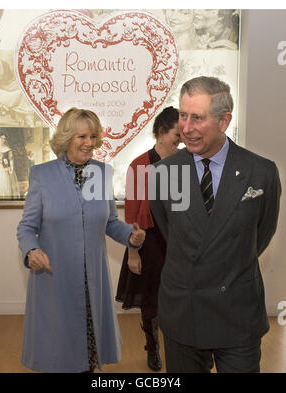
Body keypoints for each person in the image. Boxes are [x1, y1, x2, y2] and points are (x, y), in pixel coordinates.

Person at [149, 76, 281, 373]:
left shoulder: (261, 173)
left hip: (237, 310)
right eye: (183, 115)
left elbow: (262, 233)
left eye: (197, 118)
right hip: (183, 310)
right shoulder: (161, 174)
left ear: (224, 121)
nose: (186, 127)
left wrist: (225, 259)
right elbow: (172, 233)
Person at [17, 107, 145, 373]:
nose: (89, 143)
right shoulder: (43, 175)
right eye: (81, 137)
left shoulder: (102, 173)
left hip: (92, 283)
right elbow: (27, 228)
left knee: (88, 357)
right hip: (54, 281)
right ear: (66, 139)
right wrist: (31, 250)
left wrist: (132, 238)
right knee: (58, 355)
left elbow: (109, 224)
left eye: (93, 137)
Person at [116, 106, 180, 371]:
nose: (182, 139)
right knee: (151, 299)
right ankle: (152, 349)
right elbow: (132, 213)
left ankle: (182, 351)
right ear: (162, 132)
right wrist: (133, 252)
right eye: (178, 134)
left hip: (178, 241)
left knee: (180, 298)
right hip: (150, 242)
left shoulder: (186, 162)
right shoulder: (138, 165)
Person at [0, 132, 20, 199]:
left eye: (4, 139)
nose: (3, 140)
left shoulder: (8, 149)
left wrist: (12, 168)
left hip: (5, 169)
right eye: (2, 138)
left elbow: (11, 159)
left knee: (5, 183)